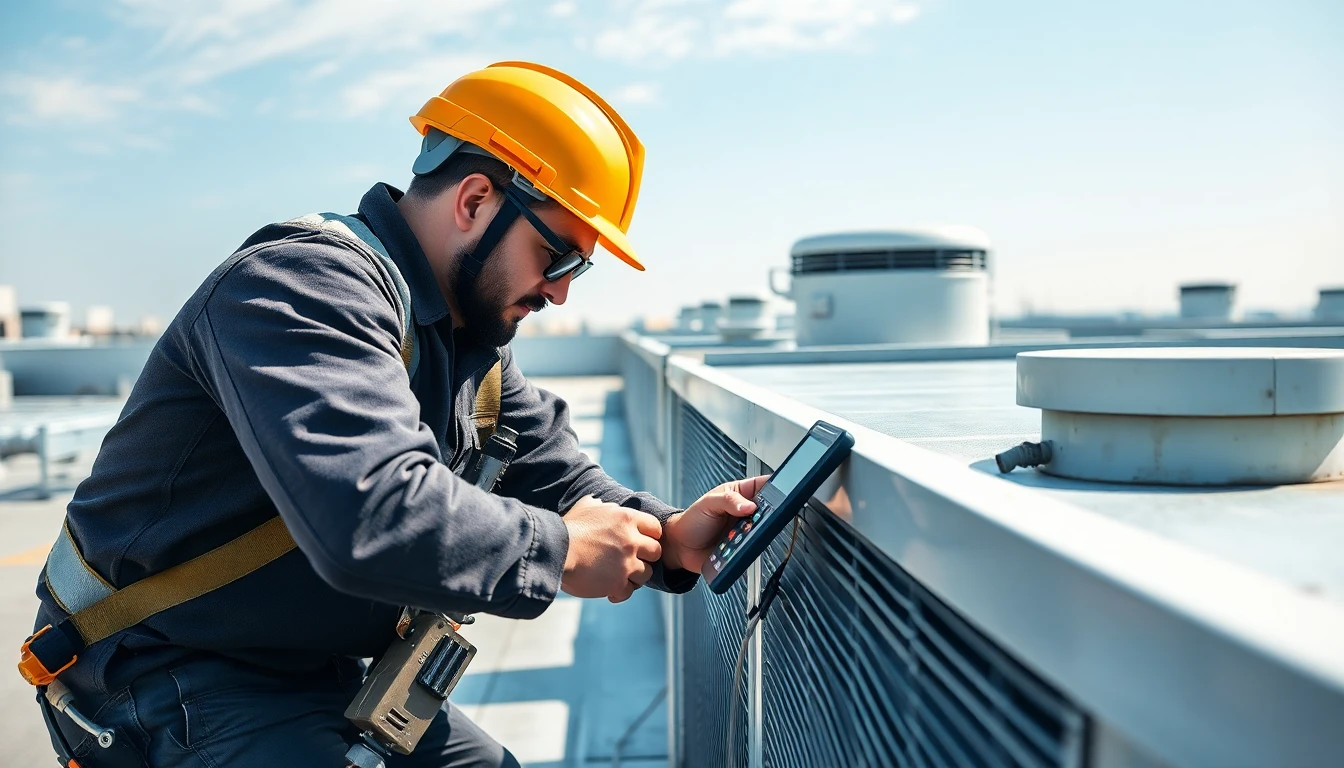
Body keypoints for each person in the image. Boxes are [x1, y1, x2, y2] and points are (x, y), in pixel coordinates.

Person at [28, 61, 764, 767]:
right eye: (558, 256)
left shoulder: (465, 341)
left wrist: (669, 534)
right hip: (162, 670)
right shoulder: (303, 286)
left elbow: (557, 477)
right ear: (475, 201)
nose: (562, 292)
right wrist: (558, 551)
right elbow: (370, 513)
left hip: (302, 665)